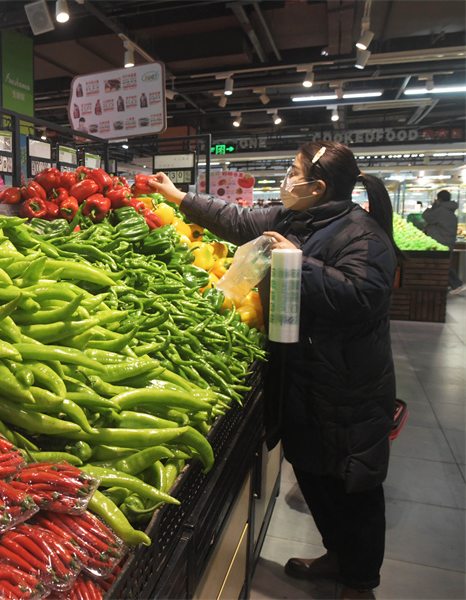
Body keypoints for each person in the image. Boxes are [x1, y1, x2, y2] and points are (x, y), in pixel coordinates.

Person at [149, 141, 401, 600]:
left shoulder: (363, 236)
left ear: (317, 187)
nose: (287, 179)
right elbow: (235, 220)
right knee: (312, 472)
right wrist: (179, 197)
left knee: (351, 485)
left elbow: (362, 297)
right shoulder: (291, 219)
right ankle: (336, 555)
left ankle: (361, 583)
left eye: (293, 171)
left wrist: (297, 264)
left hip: (348, 387)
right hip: (302, 376)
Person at [421, 190, 466, 295]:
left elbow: (426, 217)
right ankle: (453, 284)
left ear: (439, 199)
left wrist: (432, 207)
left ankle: (457, 284)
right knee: (444, 264)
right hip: (447, 241)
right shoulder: (449, 210)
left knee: (444, 264)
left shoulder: (441, 210)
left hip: (441, 242)